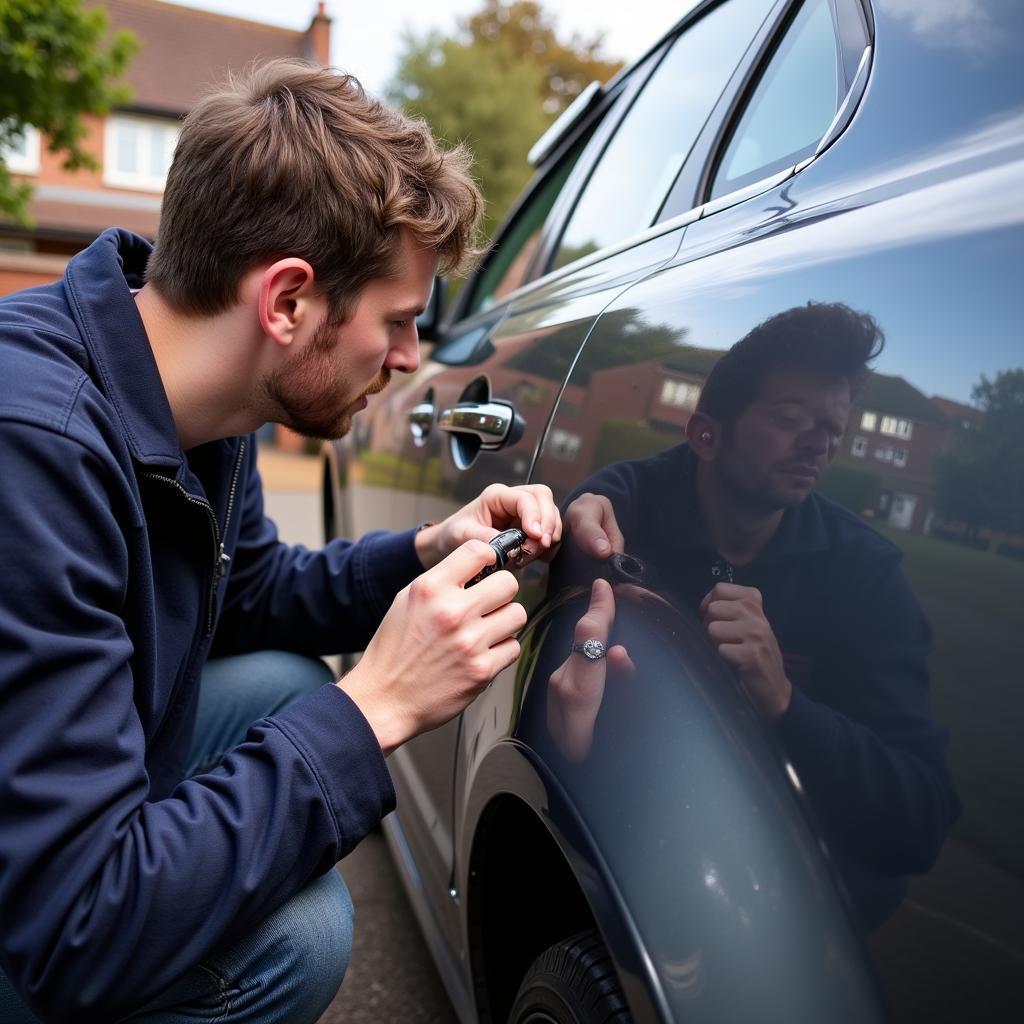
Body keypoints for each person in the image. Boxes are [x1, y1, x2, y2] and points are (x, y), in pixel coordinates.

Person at [0, 60, 561, 1023]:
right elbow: (75, 922)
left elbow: (250, 589)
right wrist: (377, 704)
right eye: (396, 320)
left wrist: (427, 549)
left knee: (288, 684)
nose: (409, 361)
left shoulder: (200, 401)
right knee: (295, 943)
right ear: (289, 301)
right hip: (47, 910)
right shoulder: (34, 448)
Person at [548, 302, 960, 930]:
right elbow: (612, 499)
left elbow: (920, 819)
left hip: (783, 898)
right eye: (791, 418)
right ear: (706, 435)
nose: (818, 443)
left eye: (832, 428)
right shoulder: (631, 510)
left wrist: (785, 704)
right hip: (615, 848)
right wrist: (584, 513)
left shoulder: (864, 575)